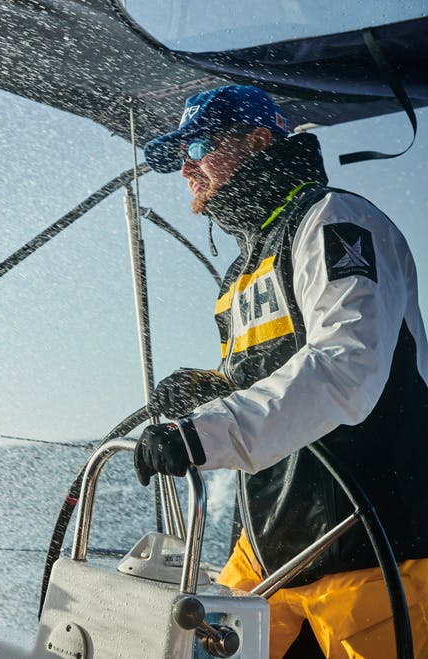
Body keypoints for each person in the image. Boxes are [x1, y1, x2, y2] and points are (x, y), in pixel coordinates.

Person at [133, 84, 428, 659]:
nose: (188, 167)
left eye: (199, 145)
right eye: (180, 156)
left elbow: (346, 365)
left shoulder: (335, 220)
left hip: (371, 543)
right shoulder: (241, 271)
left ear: (259, 141)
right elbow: (275, 379)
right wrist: (215, 389)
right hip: (271, 547)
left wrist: (205, 432)